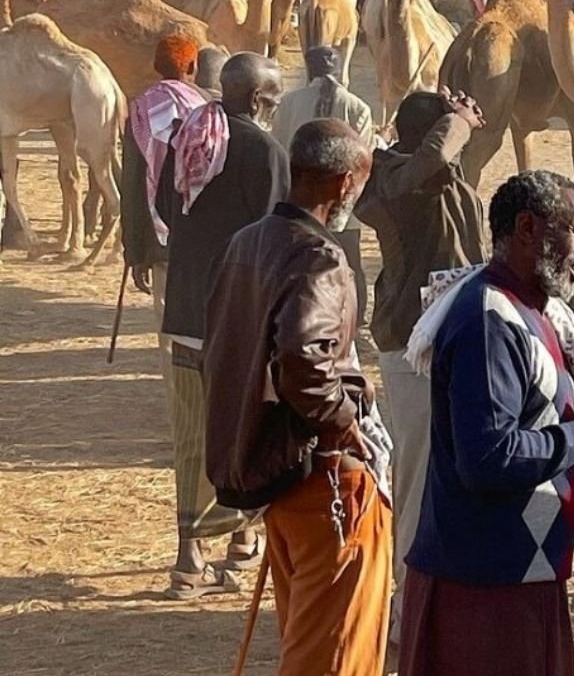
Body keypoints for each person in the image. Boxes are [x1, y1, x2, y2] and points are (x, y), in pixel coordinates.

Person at [399, 170, 574, 675]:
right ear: (527, 228)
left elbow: (553, 451)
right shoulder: (487, 321)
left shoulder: (534, 314)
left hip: (523, 577)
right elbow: (489, 459)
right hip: (481, 588)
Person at [203, 119, 390, 675]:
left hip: (277, 475)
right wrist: (341, 424)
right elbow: (303, 361)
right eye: (361, 180)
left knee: (309, 641)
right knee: (335, 654)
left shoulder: (245, 241)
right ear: (343, 183)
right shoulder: (320, 259)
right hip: (325, 480)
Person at [353, 87, 487, 639]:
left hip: (451, 344)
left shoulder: (436, 181)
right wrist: (458, 120)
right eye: (449, 132)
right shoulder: (396, 183)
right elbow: (432, 158)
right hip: (412, 348)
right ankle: (405, 614)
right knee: (415, 478)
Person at [154, 51, 289, 598]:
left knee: (192, 434)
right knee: (247, 430)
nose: (276, 108)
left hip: (186, 313)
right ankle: (240, 538)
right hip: (241, 321)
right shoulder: (264, 151)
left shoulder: (187, 141)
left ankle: (189, 556)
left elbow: (164, 208)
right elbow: (280, 238)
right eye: (274, 99)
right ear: (257, 100)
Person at [273, 45, 376, 320]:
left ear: (308, 70)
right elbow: (364, 159)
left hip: (300, 202)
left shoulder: (288, 103)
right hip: (343, 203)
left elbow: (280, 150)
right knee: (350, 266)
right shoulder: (358, 107)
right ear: (340, 70)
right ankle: (351, 322)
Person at [121, 34, 207, 363]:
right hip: (203, 239)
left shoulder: (141, 111)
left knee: (170, 330)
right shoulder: (207, 111)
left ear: (158, 67)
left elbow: (132, 185)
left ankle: (181, 406)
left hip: (160, 242)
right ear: (193, 66)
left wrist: (134, 251)